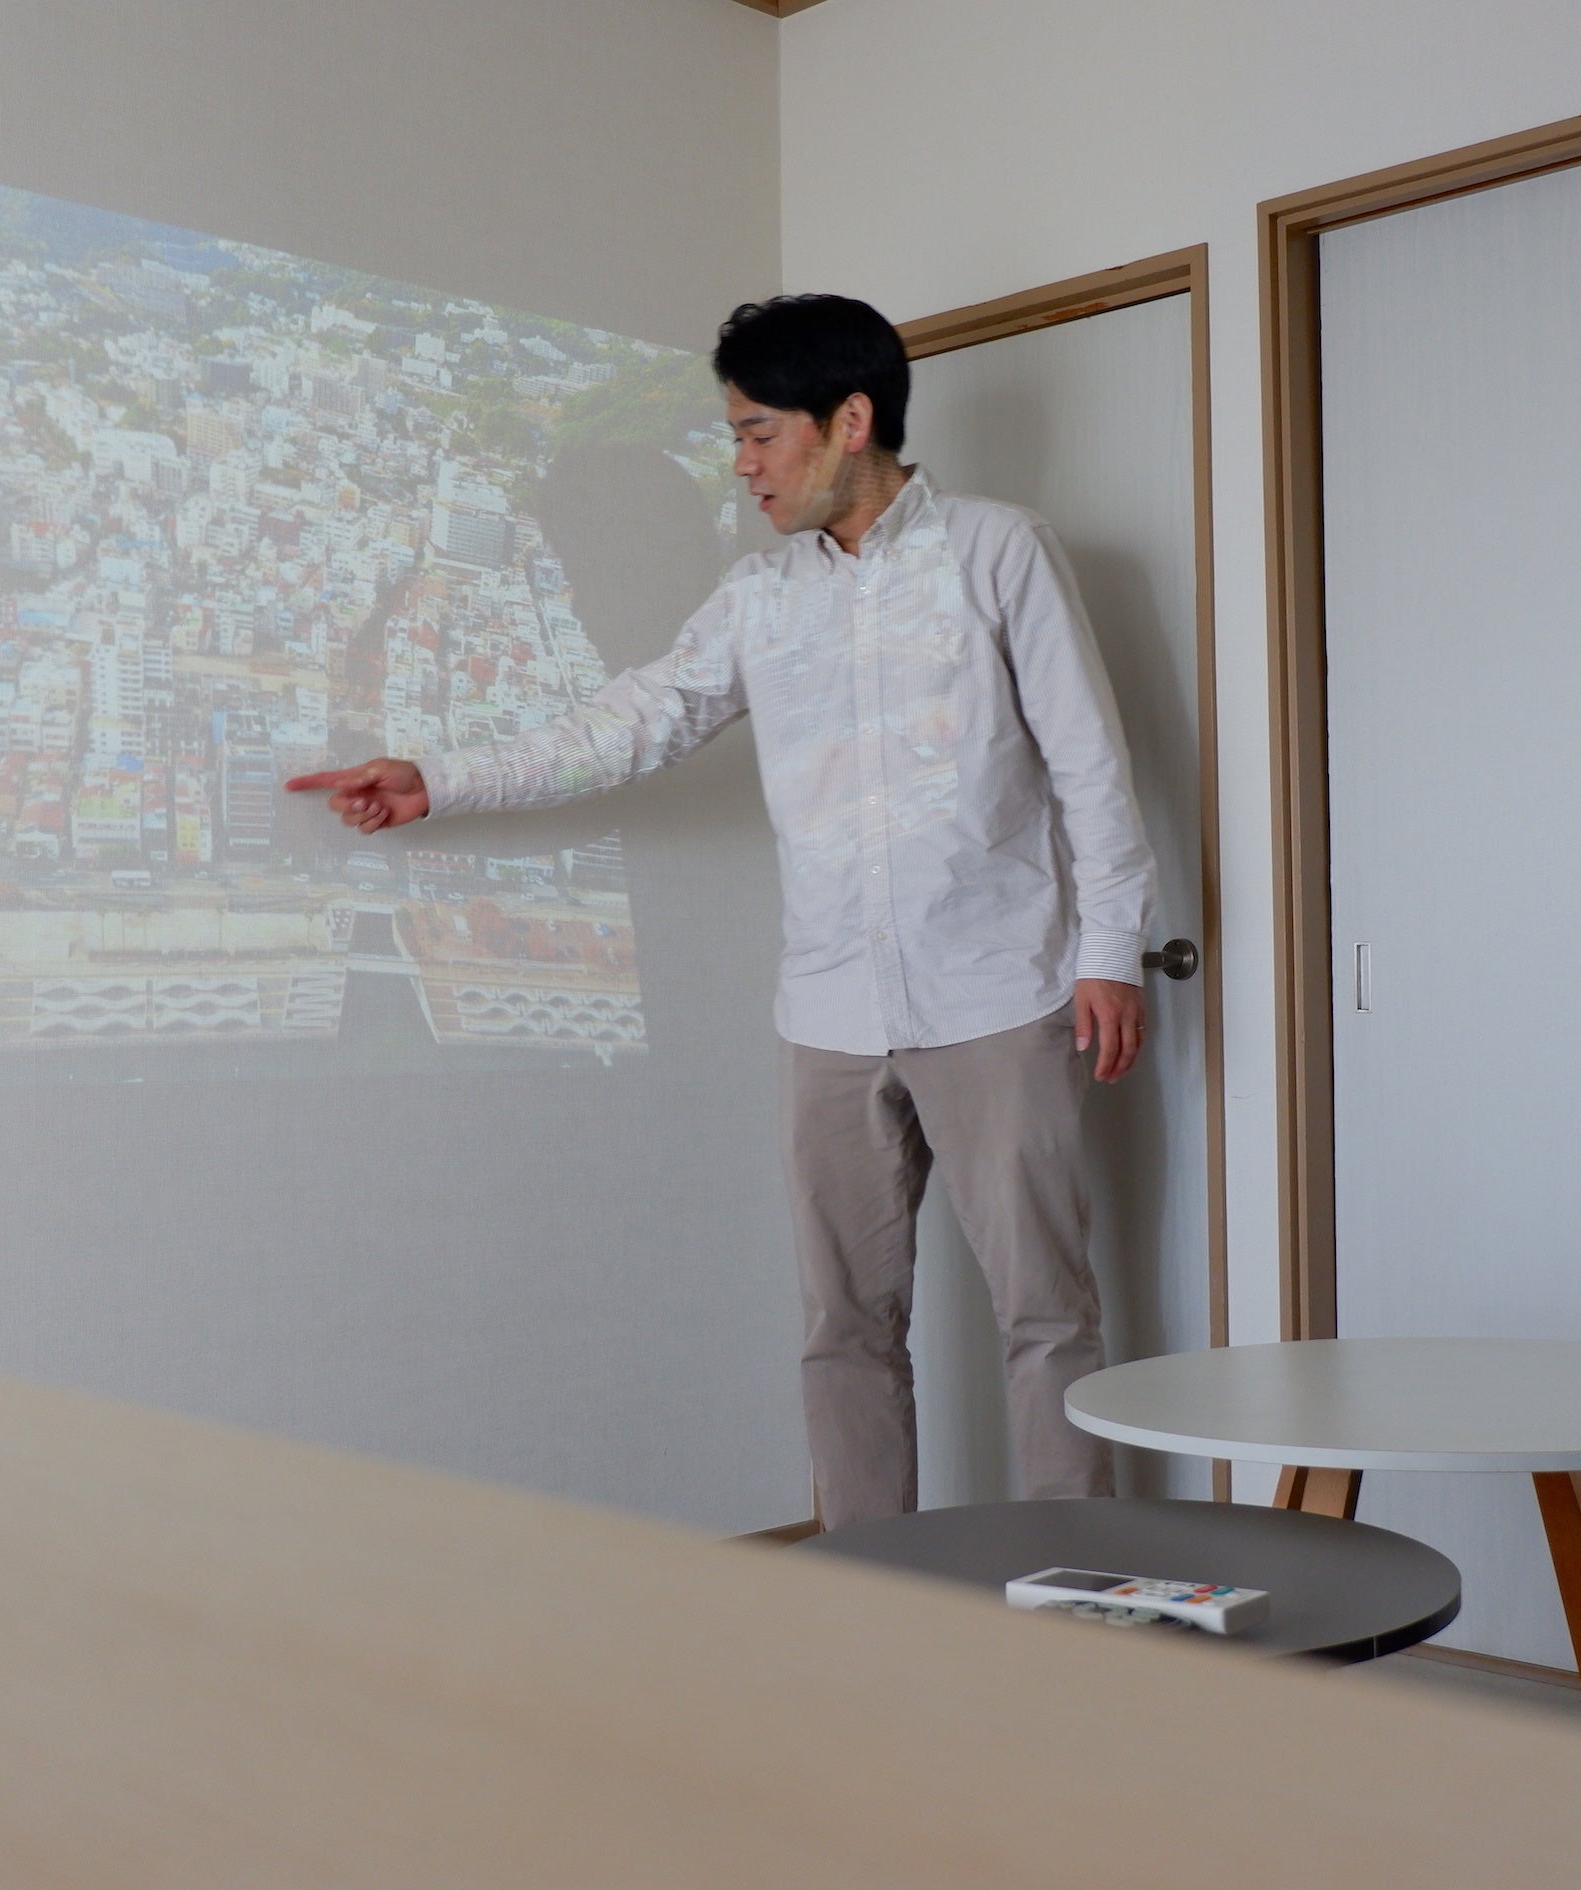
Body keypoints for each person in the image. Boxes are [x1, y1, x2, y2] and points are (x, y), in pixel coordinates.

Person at [288, 295, 1155, 1529]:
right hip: (829, 1015)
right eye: (735, 437)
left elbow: (1091, 768)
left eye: (758, 434)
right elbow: (630, 723)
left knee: (1048, 1319)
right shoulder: (760, 599)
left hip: (999, 994)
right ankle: (866, 1587)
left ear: (848, 421)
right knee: (843, 1328)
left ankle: (1074, 1592)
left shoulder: (999, 551)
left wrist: (1110, 951)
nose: (742, 465)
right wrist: (442, 780)